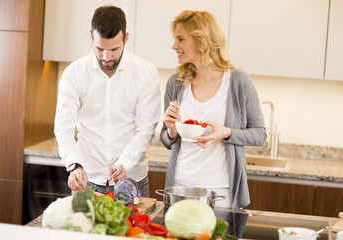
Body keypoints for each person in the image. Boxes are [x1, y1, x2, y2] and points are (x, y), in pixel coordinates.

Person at [161, 10, 266, 209]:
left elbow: (259, 134)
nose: (174, 46)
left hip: (221, 191)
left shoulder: (238, 82)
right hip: (181, 186)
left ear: (201, 40)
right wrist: (172, 131)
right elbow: (166, 138)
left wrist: (226, 133)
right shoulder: (175, 83)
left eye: (180, 39)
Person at [54, 5, 161, 197]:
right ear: (91, 36)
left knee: (135, 229)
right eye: (100, 48)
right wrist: (74, 165)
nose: (106, 57)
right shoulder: (74, 73)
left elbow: (145, 129)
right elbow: (64, 126)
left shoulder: (146, 73)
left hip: (131, 181)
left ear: (126, 38)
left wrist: (124, 163)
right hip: (86, 180)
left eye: (114, 49)